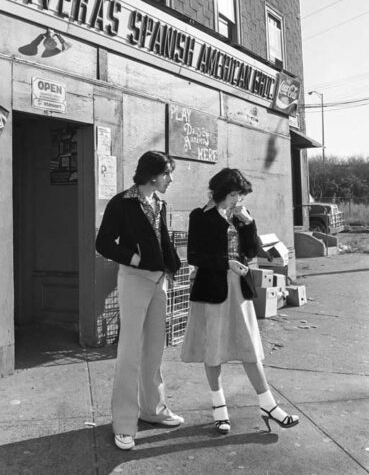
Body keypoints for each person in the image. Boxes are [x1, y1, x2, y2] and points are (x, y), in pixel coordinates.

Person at [181, 168, 299, 434]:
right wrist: (226, 263)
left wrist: (249, 224)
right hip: (212, 289)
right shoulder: (200, 216)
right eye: (234, 194)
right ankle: (219, 408)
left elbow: (250, 251)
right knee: (213, 350)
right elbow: (194, 256)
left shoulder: (238, 216)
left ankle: (268, 405)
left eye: (240, 195)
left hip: (239, 291)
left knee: (249, 348)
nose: (237, 200)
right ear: (221, 191)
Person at [96, 150, 184, 451]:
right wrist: (134, 258)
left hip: (158, 282)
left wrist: (171, 268)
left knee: (154, 351)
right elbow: (103, 243)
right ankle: (123, 423)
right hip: (134, 281)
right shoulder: (122, 203)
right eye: (167, 174)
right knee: (130, 353)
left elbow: (163, 240)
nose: (170, 179)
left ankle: (153, 410)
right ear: (151, 175)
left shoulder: (158, 202)